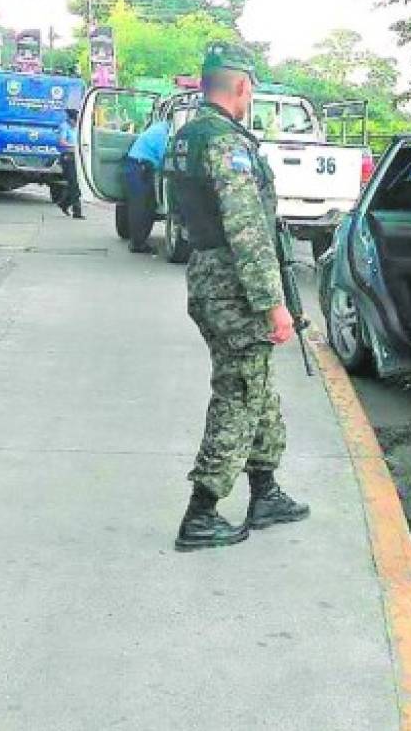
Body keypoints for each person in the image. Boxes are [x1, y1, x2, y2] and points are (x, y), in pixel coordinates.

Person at [166, 43, 309, 552]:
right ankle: (201, 512)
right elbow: (247, 229)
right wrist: (274, 305)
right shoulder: (226, 144)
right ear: (242, 86)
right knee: (240, 395)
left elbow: (180, 215)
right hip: (235, 286)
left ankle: (265, 492)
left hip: (208, 275)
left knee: (259, 389)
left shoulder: (185, 137)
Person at [124, 118, 170, 253]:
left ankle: (139, 241)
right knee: (141, 206)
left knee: (146, 205)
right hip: (140, 167)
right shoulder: (162, 134)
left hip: (139, 166)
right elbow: (165, 157)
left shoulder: (159, 128)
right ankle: (137, 244)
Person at [57, 108, 84, 219]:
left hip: (78, 158)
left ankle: (64, 203)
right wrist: (75, 147)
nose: (76, 123)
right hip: (68, 158)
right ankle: (77, 212)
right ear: (70, 119)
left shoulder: (78, 127)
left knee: (78, 185)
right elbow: (62, 142)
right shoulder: (64, 127)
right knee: (74, 184)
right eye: (75, 120)